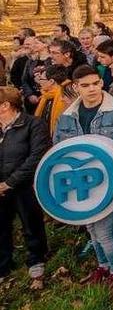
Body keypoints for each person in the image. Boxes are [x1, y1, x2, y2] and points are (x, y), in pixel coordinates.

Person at [55, 65, 113, 292]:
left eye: (95, 83)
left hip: (111, 182)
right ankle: (103, 266)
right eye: (85, 85)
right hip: (80, 184)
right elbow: (58, 150)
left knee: (104, 230)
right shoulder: (66, 117)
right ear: (76, 87)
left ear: (101, 83)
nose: (92, 89)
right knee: (91, 228)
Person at [0, 87, 50, 288]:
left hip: (24, 185)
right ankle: (3, 264)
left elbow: (36, 157)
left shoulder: (33, 124)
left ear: (5, 105)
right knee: (1, 226)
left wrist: (9, 183)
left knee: (31, 222)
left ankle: (36, 258)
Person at [34, 64, 73, 135]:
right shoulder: (46, 96)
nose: (39, 82)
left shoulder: (66, 96)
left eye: (41, 79)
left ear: (51, 81)